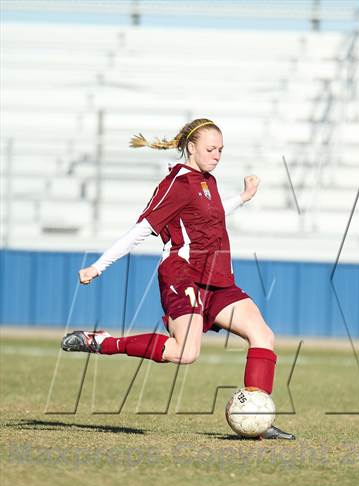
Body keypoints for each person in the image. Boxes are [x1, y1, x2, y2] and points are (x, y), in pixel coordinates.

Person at [61, 118, 295, 441]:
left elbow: (209, 215)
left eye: (221, 150)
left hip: (218, 279)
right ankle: (104, 342)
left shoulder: (206, 180)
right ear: (191, 147)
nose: (217, 155)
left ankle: (256, 421)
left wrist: (242, 197)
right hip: (182, 274)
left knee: (263, 336)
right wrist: (98, 266)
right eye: (211, 149)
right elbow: (141, 229)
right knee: (185, 353)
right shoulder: (176, 184)